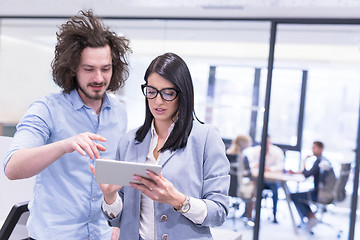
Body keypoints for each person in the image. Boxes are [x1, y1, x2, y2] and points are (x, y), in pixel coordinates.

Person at [3, 10, 131, 239]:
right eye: (89, 69)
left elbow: (115, 179)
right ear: (72, 68)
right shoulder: (47, 109)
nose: (99, 78)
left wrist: (117, 223)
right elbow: (12, 168)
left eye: (106, 68)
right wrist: (65, 145)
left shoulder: (119, 113)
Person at [91, 52, 230, 240]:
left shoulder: (206, 138)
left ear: (183, 94)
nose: (158, 101)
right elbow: (118, 220)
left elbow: (219, 212)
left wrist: (178, 200)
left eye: (168, 93)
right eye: (151, 91)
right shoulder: (129, 141)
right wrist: (110, 197)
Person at [290, 141, 332, 233]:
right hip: (325, 193)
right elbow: (309, 173)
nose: (312, 150)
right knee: (298, 195)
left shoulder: (319, 162)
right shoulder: (324, 160)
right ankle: (310, 217)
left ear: (321, 149)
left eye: (314, 148)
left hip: (319, 194)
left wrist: (304, 161)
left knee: (293, 196)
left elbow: (307, 175)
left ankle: (310, 216)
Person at [247, 136, 285, 223]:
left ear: (270, 143)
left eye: (267, 142)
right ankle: (249, 214)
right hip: (258, 179)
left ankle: (274, 215)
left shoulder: (277, 151)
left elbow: (281, 167)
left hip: (272, 181)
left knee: (275, 190)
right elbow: (249, 163)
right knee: (252, 187)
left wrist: (269, 168)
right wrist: (255, 165)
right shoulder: (255, 151)